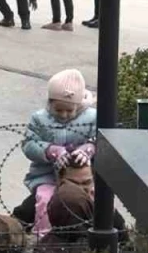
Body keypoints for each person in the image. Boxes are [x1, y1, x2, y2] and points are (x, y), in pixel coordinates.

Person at [15, 68, 97, 235]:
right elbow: (29, 144)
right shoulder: (40, 119)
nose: (64, 115)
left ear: (79, 105)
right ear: (50, 103)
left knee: (89, 203)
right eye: (58, 110)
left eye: (70, 110)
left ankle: (86, 238)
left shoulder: (92, 118)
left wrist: (88, 149)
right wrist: (51, 151)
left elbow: (100, 139)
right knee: (45, 201)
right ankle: (44, 239)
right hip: (47, 175)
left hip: (81, 179)